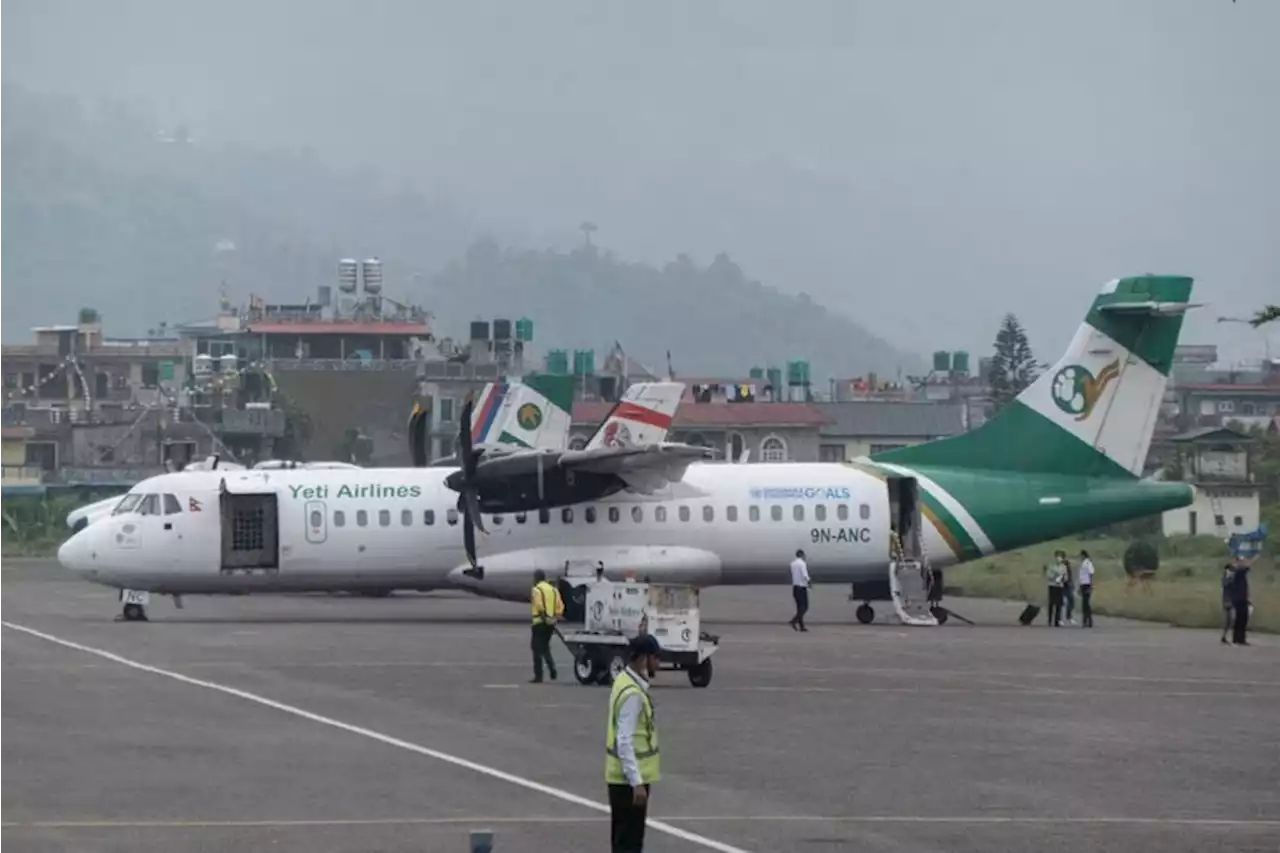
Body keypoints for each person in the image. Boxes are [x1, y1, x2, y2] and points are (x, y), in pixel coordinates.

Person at [605, 634, 662, 853]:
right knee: (630, 843)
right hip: (629, 781)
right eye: (655, 658)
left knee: (622, 841)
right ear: (642, 659)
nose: (658, 663)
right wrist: (636, 782)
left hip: (619, 778)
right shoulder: (633, 695)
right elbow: (625, 740)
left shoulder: (622, 681)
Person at [529, 569, 564, 683]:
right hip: (551, 623)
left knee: (536, 649)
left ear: (536, 578)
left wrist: (544, 615)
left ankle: (538, 676)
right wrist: (554, 617)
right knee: (545, 647)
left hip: (539, 622)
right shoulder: (554, 590)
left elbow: (538, 604)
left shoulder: (536, 590)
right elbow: (560, 607)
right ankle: (552, 668)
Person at [1229, 557, 1252, 646]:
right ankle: (1237, 639)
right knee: (1240, 619)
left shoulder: (1237, 572)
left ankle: (1240, 639)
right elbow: (1244, 569)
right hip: (1238, 599)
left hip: (1242, 598)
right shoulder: (1237, 572)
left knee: (1243, 619)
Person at [789, 549, 811, 632]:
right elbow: (805, 575)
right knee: (805, 607)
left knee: (799, 608)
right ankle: (794, 621)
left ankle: (802, 626)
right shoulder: (802, 564)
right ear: (802, 555)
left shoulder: (792, 564)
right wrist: (809, 582)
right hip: (802, 587)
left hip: (795, 587)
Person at [1045, 558, 1066, 626]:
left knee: (1059, 604)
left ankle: (1057, 620)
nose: (1058, 560)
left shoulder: (1063, 567)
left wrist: (1062, 578)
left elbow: (1065, 577)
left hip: (1060, 586)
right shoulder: (1051, 566)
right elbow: (1048, 575)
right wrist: (1055, 576)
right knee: (1051, 603)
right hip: (1052, 585)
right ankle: (1050, 620)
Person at [1077, 550, 1095, 628]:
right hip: (1083, 584)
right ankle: (1085, 620)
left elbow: (1091, 574)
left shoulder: (1088, 563)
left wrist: (1091, 585)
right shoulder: (1083, 563)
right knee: (1084, 604)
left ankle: (1089, 621)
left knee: (1086, 604)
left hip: (1087, 584)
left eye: (1081, 556)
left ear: (1084, 555)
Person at [1220, 563, 1236, 645]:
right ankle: (1225, 636)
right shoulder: (1225, 579)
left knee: (1231, 620)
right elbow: (1225, 585)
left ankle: (1225, 636)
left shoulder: (1230, 578)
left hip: (1231, 601)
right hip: (1227, 601)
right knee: (1229, 620)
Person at [1060, 552, 1077, 626]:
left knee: (1071, 601)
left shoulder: (1067, 563)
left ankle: (1069, 617)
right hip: (1061, 585)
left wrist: (1071, 583)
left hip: (1067, 585)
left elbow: (1070, 574)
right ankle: (1060, 619)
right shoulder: (1058, 565)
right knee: (1060, 603)